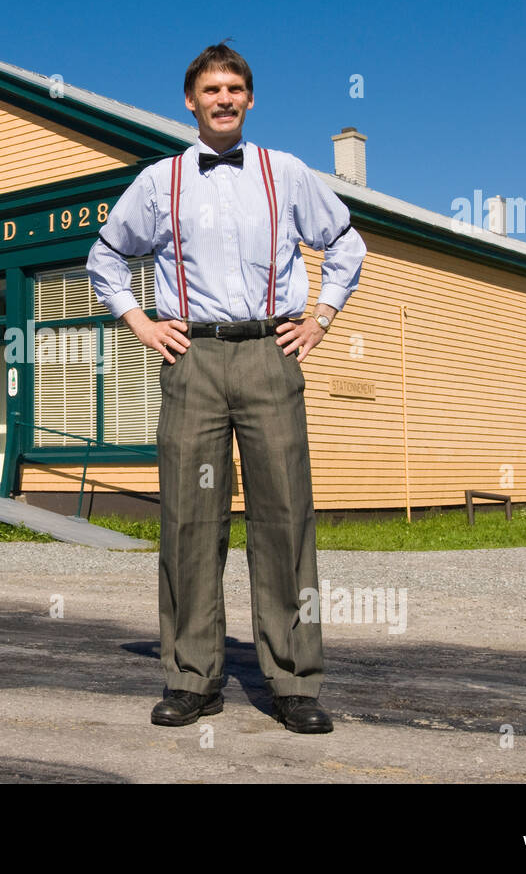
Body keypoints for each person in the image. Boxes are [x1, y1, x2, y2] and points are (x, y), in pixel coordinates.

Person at [87, 43, 367, 734]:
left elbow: (348, 244)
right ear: (191, 100)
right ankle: (191, 678)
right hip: (196, 361)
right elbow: (105, 255)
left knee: (285, 519)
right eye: (211, 88)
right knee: (188, 519)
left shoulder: (287, 172)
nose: (223, 98)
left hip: (272, 354)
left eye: (235, 88)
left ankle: (295, 682)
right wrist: (141, 324)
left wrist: (322, 319)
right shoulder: (160, 180)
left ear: (249, 100)